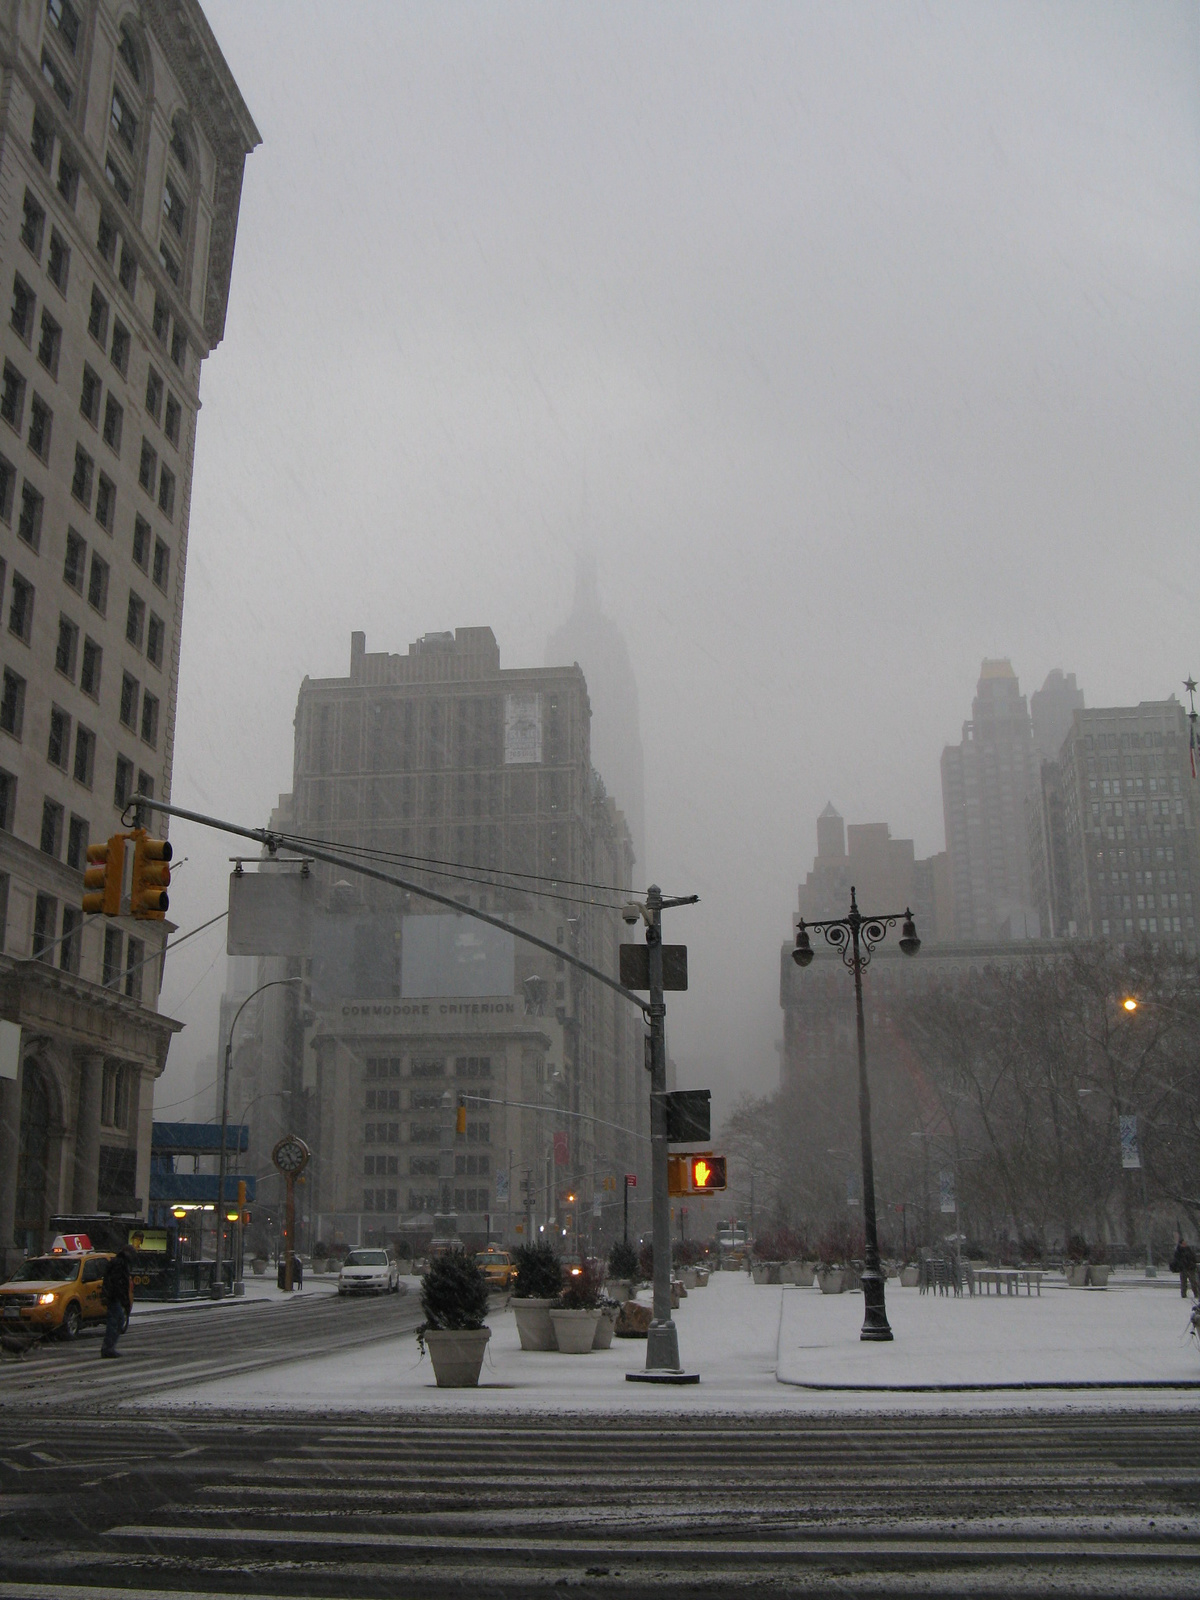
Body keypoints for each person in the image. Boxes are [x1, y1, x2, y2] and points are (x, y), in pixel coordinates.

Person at [100, 1244, 135, 1357]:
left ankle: (109, 1347)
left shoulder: (117, 1262)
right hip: (114, 1297)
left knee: (117, 1320)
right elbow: (118, 1283)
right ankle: (108, 1348)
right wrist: (124, 1300)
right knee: (116, 1322)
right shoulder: (120, 1264)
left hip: (113, 1297)